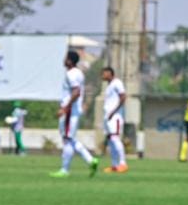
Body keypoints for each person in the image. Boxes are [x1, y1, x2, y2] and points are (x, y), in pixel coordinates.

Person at [50, 50, 98, 178]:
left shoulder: (71, 74)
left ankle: (65, 170)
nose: (63, 60)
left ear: (70, 61)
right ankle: (90, 160)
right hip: (74, 110)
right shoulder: (79, 73)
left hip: (70, 110)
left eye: (65, 58)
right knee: (70, 139)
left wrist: (65, 108)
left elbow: (76, 92)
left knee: (67, 140)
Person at [101, 66, 129, 172]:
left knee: (115, 138)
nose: (102, 75)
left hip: (115, 117)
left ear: (110, 73)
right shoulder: (109, 86)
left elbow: (123, 97)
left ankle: (123, 163)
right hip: (108, 117)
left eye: (104, 73)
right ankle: (114, 165)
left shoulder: (117, 82)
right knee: (110, 140)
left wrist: (113, 112)